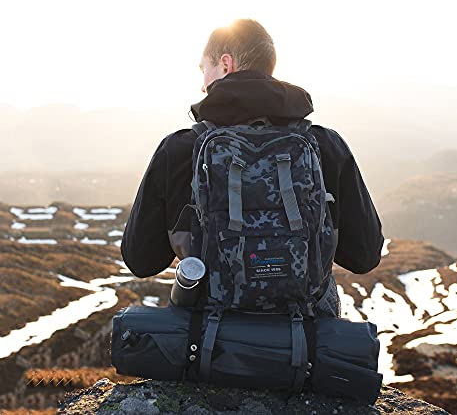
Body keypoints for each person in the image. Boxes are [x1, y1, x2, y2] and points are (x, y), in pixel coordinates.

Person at [121, 19, 384, 315]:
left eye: (203, 68)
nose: (201, 82)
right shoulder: (325, 146)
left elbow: (140, 260)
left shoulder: (180, 150)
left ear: (225, 64)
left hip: (212, 346)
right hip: (306, 346)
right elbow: (365, 255)